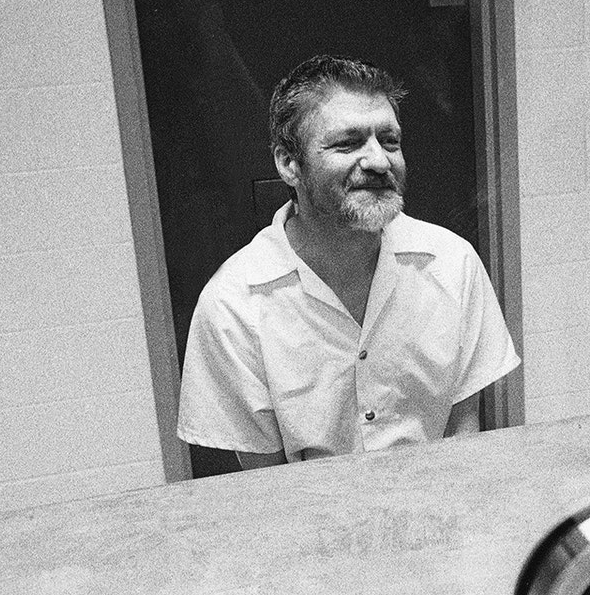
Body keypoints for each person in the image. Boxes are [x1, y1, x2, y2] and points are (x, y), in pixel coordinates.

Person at [176, 54, 521, 469]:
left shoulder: (452, 263)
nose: (379, 161)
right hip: (310, 521)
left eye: (389, 141)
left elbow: (464, 442)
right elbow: (265, 489)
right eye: (348, 143)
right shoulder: (233, 305)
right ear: (289, 163)